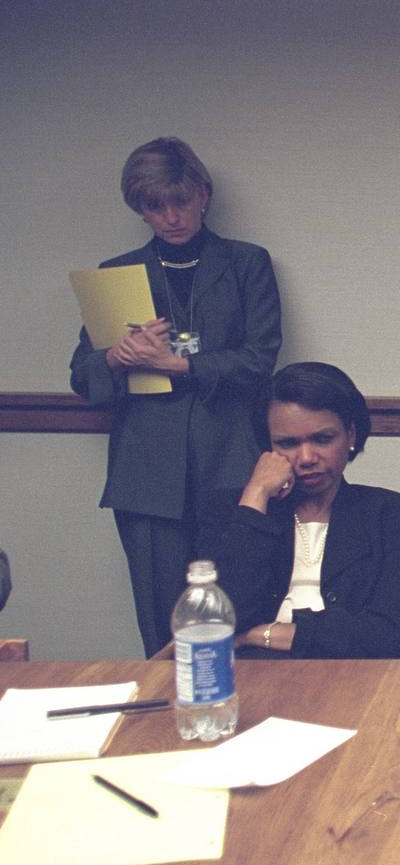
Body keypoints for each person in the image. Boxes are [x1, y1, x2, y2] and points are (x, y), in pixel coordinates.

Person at [69, 137, 282, 657]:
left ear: (202, 195)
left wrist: (181, 366)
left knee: (237, 611)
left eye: (179, 202)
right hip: (147, 477)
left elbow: (260, 360)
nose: (170, 216)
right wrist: (118, 358)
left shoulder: (246, 263)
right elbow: (82, 377)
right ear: (139, 209)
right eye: (154, 206)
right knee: (163, 627)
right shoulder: (118, 274)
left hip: (230, 463)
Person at [198, 362, 400, 658]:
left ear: (351, 436)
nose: (306, 458)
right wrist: (255, 497)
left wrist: (261, 634)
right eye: (287, 444)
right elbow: (216, 620)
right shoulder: (232, 511)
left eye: (322, 439)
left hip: (355, 678)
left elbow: (388, 636)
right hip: (249, 678)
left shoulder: (392, 514)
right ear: (267, 447)